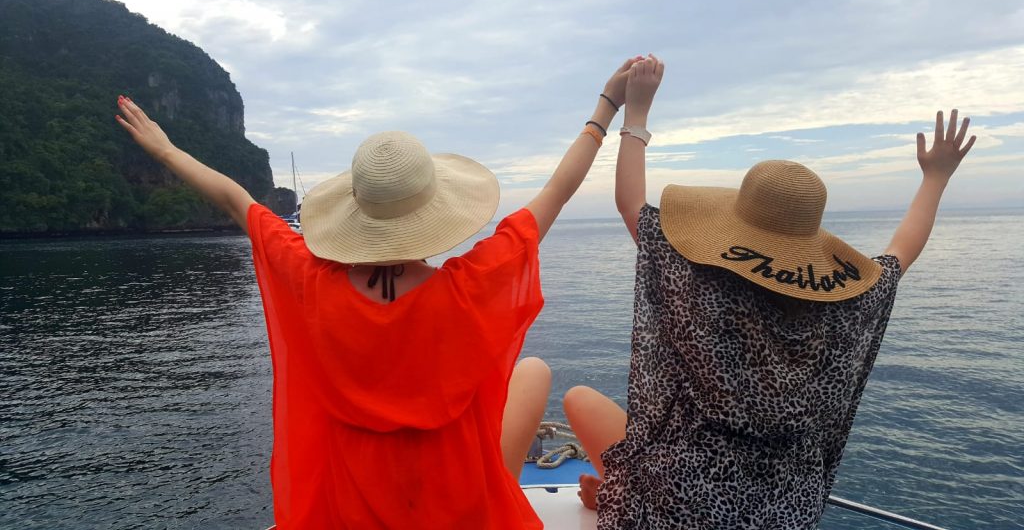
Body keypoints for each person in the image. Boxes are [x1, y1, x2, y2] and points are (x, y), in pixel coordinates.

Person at [113, 56, 641, 529]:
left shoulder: (311, 282)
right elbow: (556, 193)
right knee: (534, 371)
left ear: (355, 212)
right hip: (460, 507)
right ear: (437, 210)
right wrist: (607, 107)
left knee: (527, 376)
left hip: (354, 510)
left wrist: (165, 150)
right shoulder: (468, 287)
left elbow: (237, 201)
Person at [563, 55, 976, 529]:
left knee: (577, 398)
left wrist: (635, 113)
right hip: (787, 507)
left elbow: (630, 203)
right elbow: (902, 252)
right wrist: (936, 177)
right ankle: (616, 491)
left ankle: (618, 493)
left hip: (679, 500)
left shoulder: (697, 281)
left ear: (734, 223)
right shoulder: (846, 304)